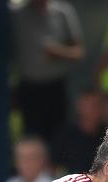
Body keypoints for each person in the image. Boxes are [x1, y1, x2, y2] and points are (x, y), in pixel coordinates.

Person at [11, 0, 84, 145]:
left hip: (56, 86)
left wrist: (58, 52)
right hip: (29, 88)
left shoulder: (62, 12)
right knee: (32, 138)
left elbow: (78, 52)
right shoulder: (16, 14)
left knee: (59, 138)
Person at [53, 90, 105, 174]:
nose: (94, 109)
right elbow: (55, 166)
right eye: (89, 105)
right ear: (79, 107)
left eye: (97, 105)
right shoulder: (65, 135)